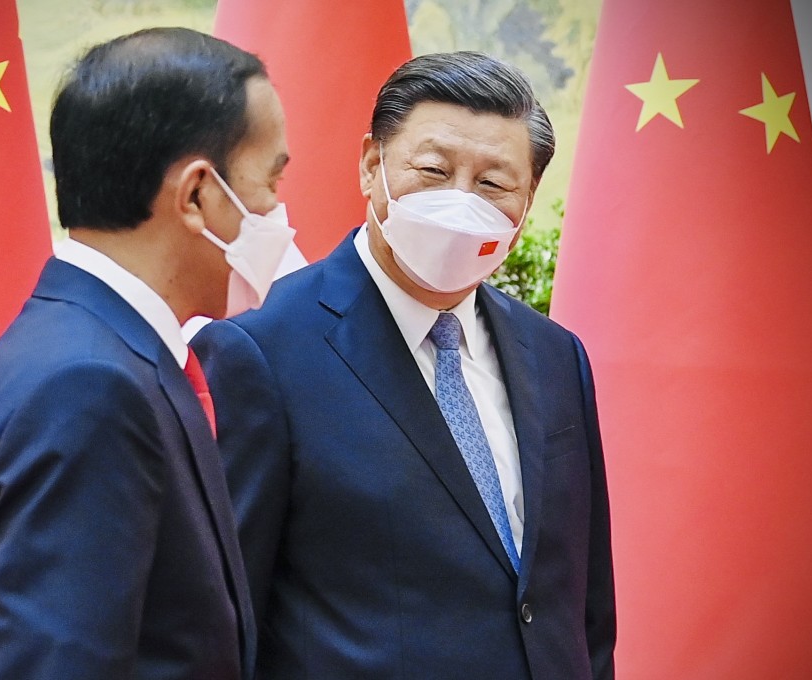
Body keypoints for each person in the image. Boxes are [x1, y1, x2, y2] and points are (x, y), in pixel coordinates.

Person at [191, 51, 615, 679]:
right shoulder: (261, 354)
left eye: (494, 183)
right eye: (433, 170)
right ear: (372, 165)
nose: (459, 201)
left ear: (527, 204)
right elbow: (224, 618)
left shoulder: (555, 355)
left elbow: (582, 602)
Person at [0, 27, 294, 680]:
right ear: (196, 194)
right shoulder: (88, 385)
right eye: (269, 181)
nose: (276, 211)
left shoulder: (96, 345)